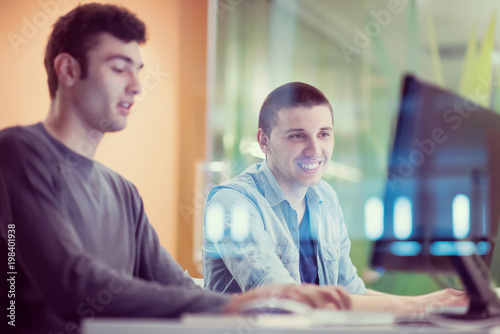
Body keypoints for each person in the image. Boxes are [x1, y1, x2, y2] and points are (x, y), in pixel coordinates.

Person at [0, 5, 351, 334]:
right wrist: (234, 306)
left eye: (138, 71)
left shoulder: (122, 191)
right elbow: (73, 285)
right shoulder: (19, 152)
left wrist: (244, 305)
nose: (136, 86)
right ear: (68, 70)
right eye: (119, 68)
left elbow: (174, 285)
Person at [202, 82, 468, 314]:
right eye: (297, 136)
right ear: (264, 141)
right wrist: (423, 307)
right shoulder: (232, 204)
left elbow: (351, 292)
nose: (315, 150)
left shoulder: (324, 197)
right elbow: (284, 301)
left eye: (324, 134)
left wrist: (437, 302)